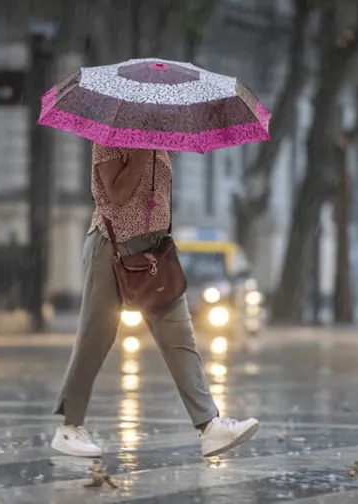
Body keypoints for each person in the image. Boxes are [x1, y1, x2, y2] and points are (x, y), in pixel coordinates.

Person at [51, 144, 259, 458]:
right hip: (111, 249)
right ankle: (69, 427)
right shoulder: (110, 135)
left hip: (154, 252)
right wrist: (143, 151)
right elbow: (117, 194)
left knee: (180, 337)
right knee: (96, 336)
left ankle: (209, 426)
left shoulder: (161, 136)